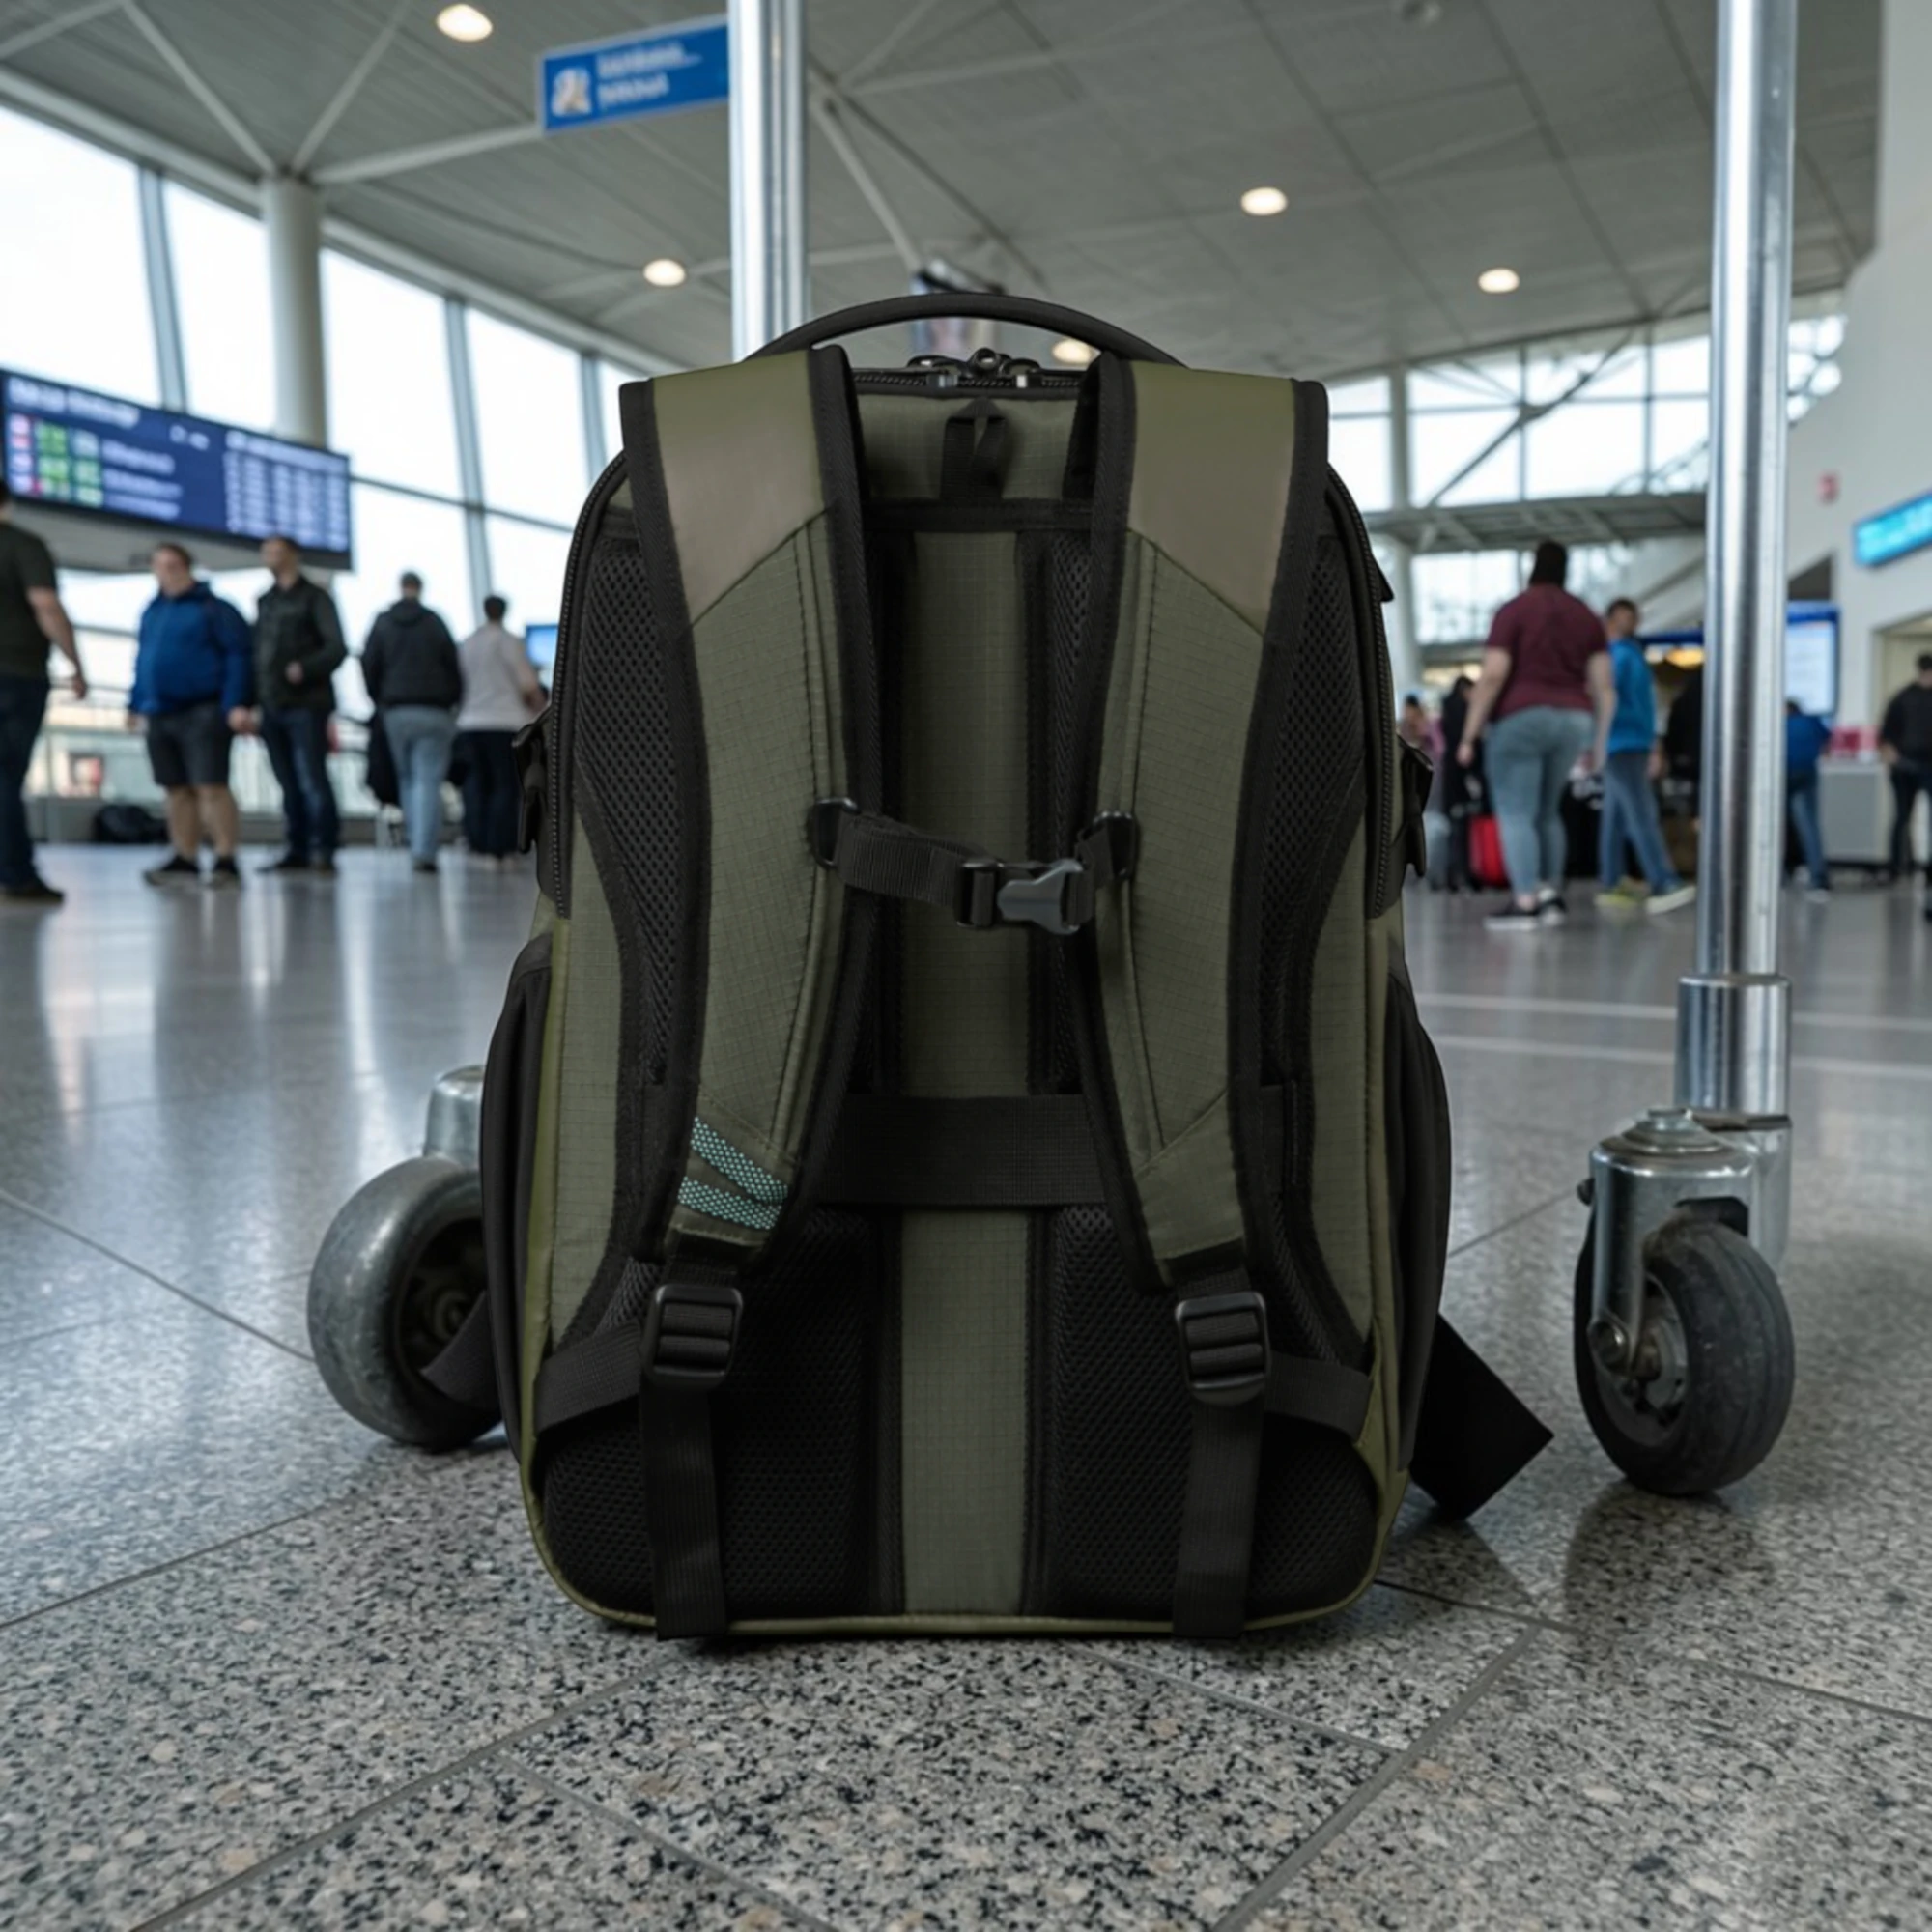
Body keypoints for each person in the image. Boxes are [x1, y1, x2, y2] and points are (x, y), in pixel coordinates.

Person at [1457, 540, 1615, 931]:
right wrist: (1599, 743)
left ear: (1533, 567)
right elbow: (1604, 687)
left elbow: (1494, 674)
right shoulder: (1586, 615)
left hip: (1521, 718)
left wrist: (1468, 735)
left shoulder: (1514, 610)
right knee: (1548, 812)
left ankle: (1525, 900)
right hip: (1574, 720)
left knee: (1516, 811)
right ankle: (1550, 896)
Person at [128, 542, 253, 890]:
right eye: (159, 565)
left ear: (187, 567)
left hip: (205, 708)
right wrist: (134, 703)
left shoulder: (215, 609)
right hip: (160, 710)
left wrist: (236, 703)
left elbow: (238, 656)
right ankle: (184, 856)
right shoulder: (153, 611)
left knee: (211, 785)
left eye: (172, 565)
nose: (165, 572)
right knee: (175, 788)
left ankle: (226, 857)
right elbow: (143, 660)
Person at [0, 478, 86, 904]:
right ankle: (16, 876)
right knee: (5, 776)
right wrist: (75, 663)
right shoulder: (22, 544)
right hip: (15, 673)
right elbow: (46, 605)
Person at [252, 534, 347, 876]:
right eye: (266, 552)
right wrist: (252, 700)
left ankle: (323, 848)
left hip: (307, 703)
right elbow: (258, 653)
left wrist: (305, 668)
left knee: (312, 777)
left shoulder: (315, 598)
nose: (270, 557)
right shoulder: (266, 602)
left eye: (277, 551)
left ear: (293, 555)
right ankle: (297, 848)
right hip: (272, 703)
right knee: (287, 781)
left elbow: (336, 648)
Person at [1596, 598, 1693, 915]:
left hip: (1629, 742)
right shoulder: (1618, 657)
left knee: (1616, 816)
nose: (1630, 622)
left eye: (1633, 616)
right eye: (1623, 617)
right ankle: (1662, 880)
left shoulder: (1631, 655)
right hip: (1622, 743)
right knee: (1641, 812)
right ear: (1610, 620)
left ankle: (1612, 880)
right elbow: (1606, 697)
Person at [363, 571, 461, 874]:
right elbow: (453, 666)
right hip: (434, 710)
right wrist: (452, 701)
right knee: (428, 780)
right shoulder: (435, 623)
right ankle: (424, 849)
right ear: (421, 588)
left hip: (396, 710)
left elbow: (370, 663)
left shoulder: (383, 622)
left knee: (407, 778)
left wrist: (380, 700)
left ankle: (415, 840)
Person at [455, 593, 542, 863]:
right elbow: (527, 684)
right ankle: (500, 845)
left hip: (471, 722)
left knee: (476, 784)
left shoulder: (468, 643)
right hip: (505, 722)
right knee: (505, 785)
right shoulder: (510, 642)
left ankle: (477, 841)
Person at [1878, 652, 1932, 887]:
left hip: (1927, 764)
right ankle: (1898, 866)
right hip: (1905, 765)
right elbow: (1886, 733)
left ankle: (1922, 869)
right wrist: (1890, 754)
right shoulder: (1903, 698)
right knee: (1902, 817)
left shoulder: (1902, 697)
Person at [1428, 674, 1479, 892]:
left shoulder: (1446, 715)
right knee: (1462, 832)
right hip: (1461, 781)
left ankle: (1450, 876)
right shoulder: (1464, 716)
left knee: (1452, 830)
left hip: (1450, 782)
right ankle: (1463, 875)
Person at [1784, 698, 1832, 899]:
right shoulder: (1812, 721)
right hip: (1807, 774)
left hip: (1783, 774)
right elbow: (1826, 741)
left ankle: (1781, 874)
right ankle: (1818, 876)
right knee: (1808, 825)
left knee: (1777, 825)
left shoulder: (1779, 724)